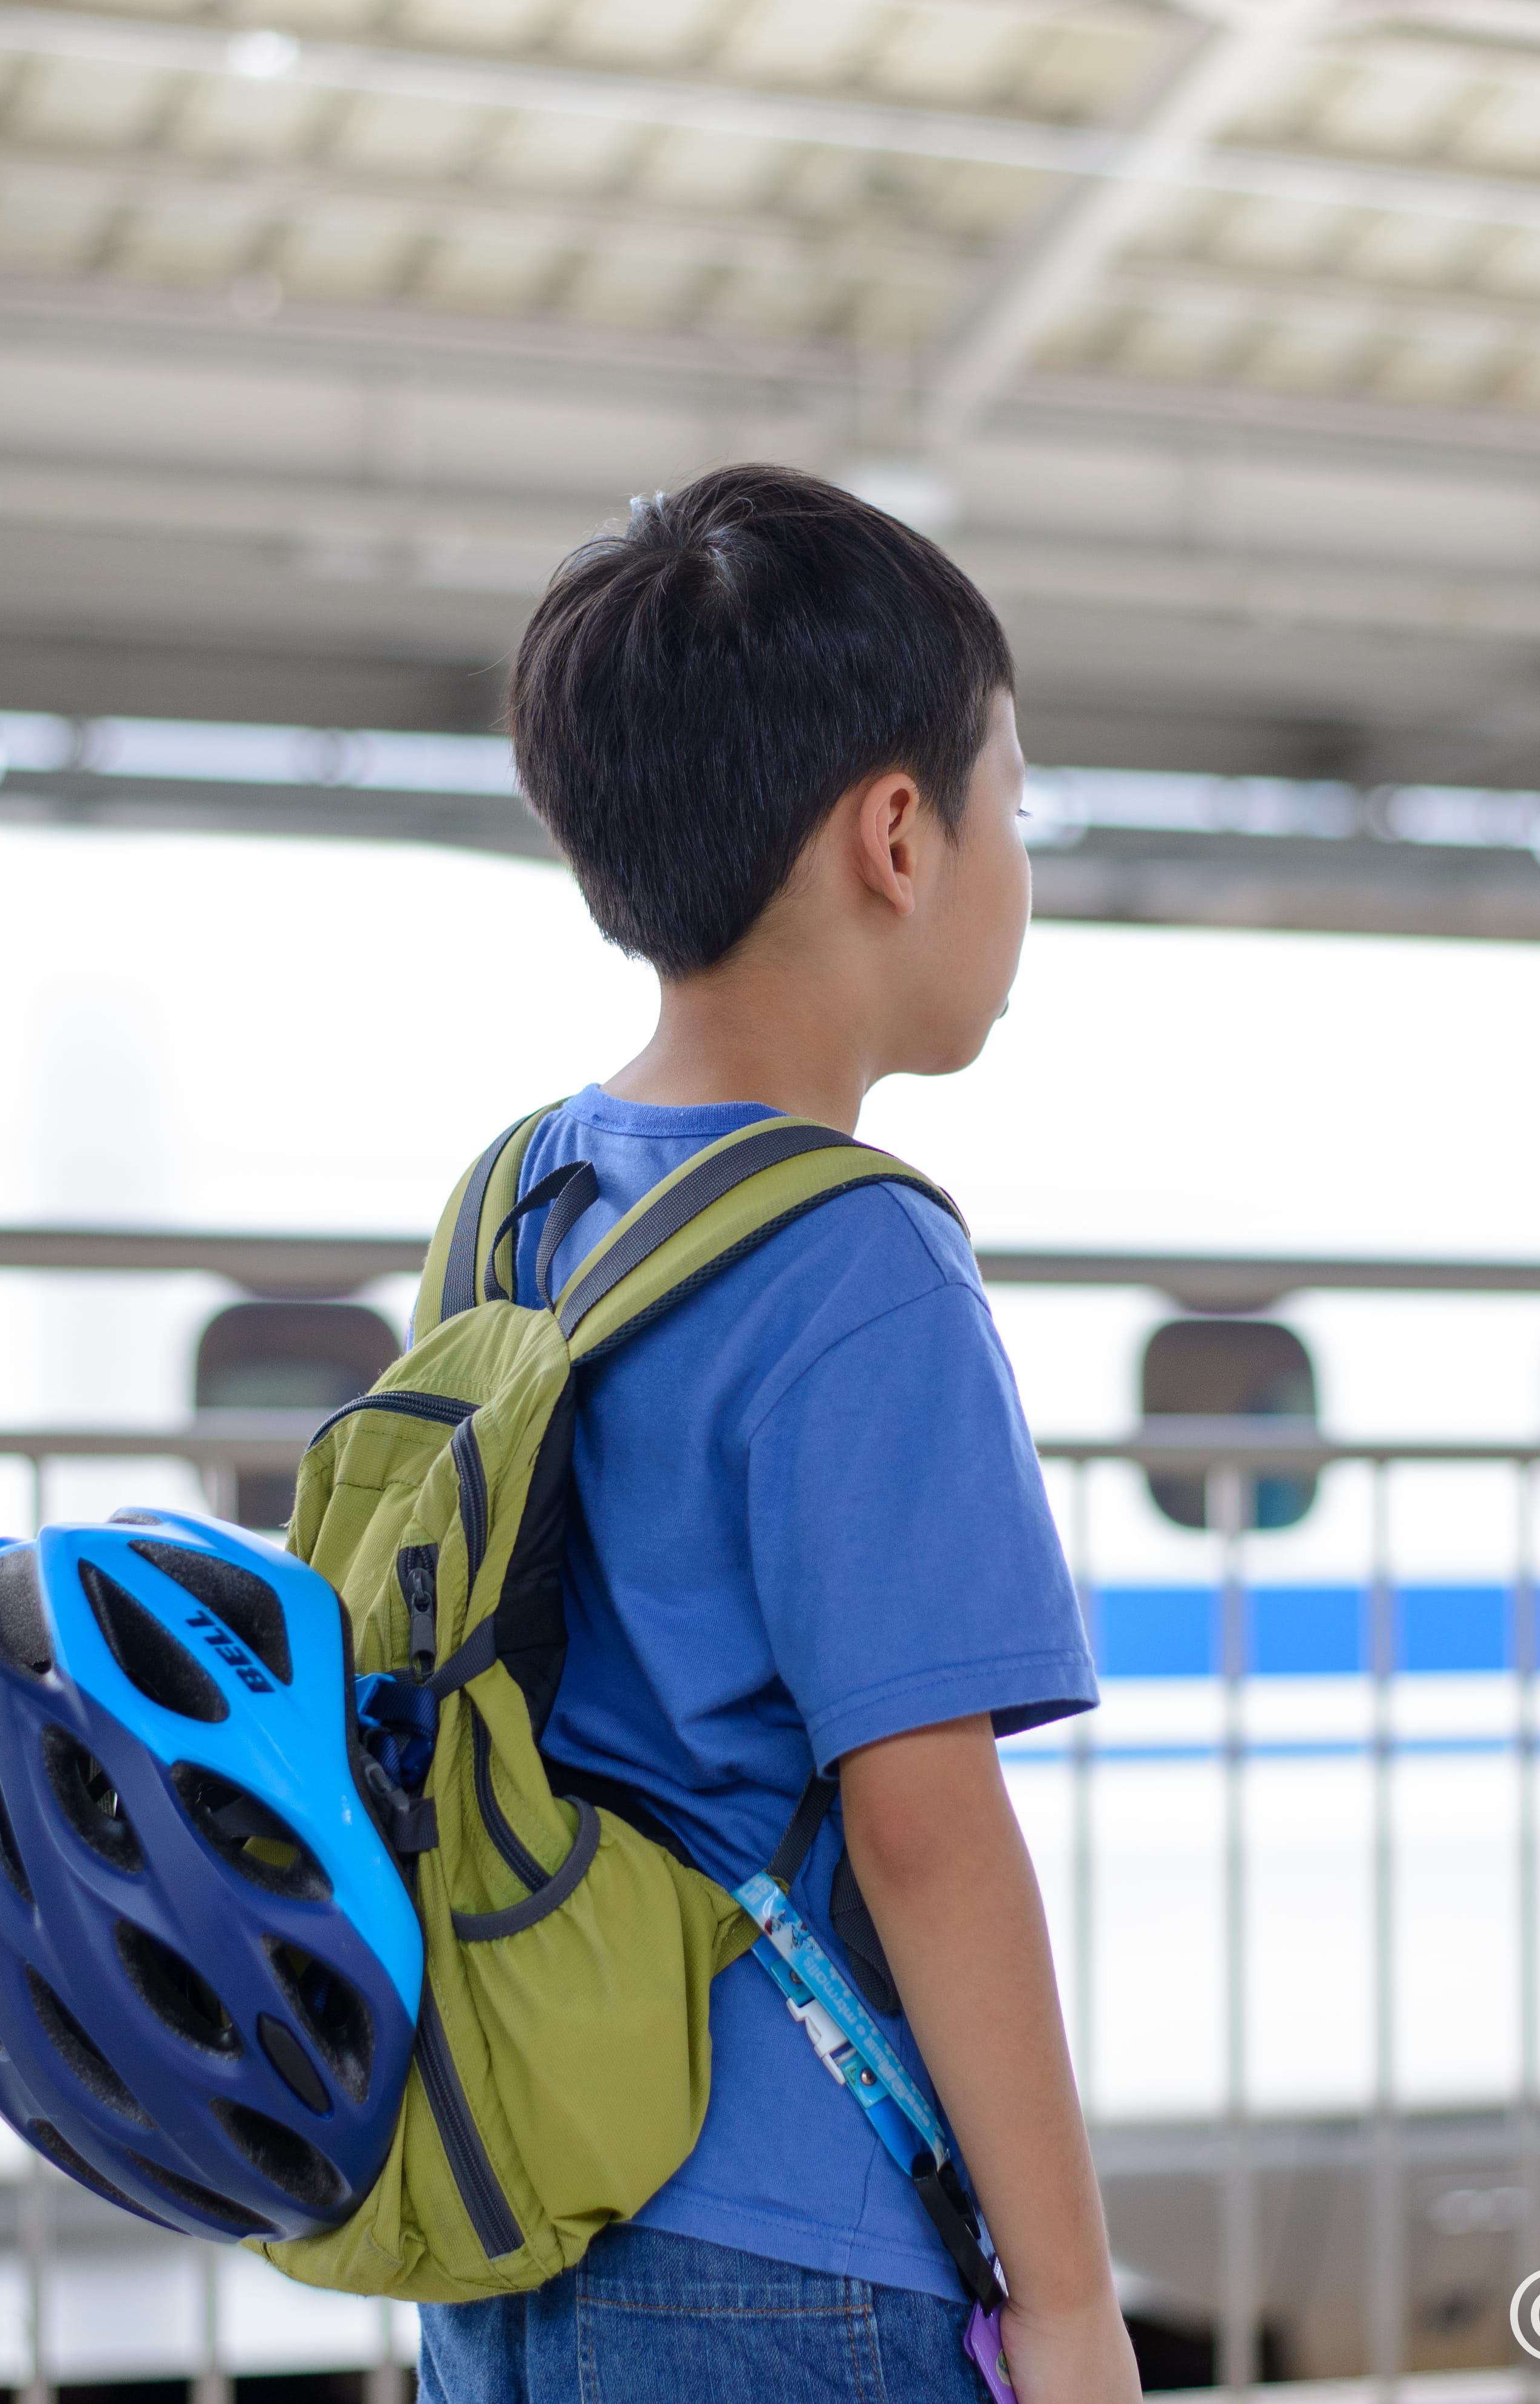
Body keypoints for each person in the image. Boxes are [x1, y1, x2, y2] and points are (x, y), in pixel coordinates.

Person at [410, 464, 1143, 2404]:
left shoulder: (516, 1197)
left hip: (510, 2196)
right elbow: (922, 1824)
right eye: (1014, 801)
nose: (1018, 863)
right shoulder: (860, 1262)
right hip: (785, 2252)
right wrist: (1068, 2306)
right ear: (899, 833)